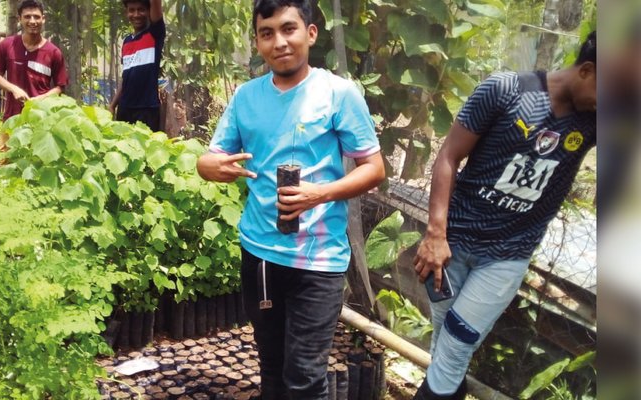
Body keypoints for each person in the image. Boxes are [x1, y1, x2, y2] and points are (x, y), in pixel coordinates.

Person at [196, 1, 386, 398]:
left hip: (318, 261)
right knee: (271, 367)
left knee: (305, 377)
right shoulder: (247, 97)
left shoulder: (338, 93)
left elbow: (374, 168)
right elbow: (211, 157)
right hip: (261, 254)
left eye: (289, 29)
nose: (279, 42)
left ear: (310, 33)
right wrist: (208, 166)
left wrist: (321, 193)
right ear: (258, 41)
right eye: (267, 33)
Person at [411, 31, 596, 400]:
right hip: (452, 244)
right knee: (447, 348)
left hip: (507, 255)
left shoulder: (595, 120)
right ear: (588, 71)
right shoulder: (507, 90)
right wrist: (435, 234)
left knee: (456, 344)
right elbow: (448, 156)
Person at [0, 0, 68, 174]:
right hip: (12, 117)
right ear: (19, 19)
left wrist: (41, 98)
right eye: (27, 17)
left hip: (40, 119)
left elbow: (60, 87)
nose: (32, 21)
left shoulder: (54, 52)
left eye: (36, 17)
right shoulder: (7, 45)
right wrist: (14, 89)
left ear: (43, 19)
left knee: (35, 166)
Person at [109, 0, 164, 132]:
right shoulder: (127, 42)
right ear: (126, 12)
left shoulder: (154, 34)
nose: (136, 14)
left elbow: (156, 3)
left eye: (141, 9)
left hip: (147, 110)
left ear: (149, 11)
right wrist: (113, 105)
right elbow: (126, 78)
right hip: (125, 109)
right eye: (132, 10)